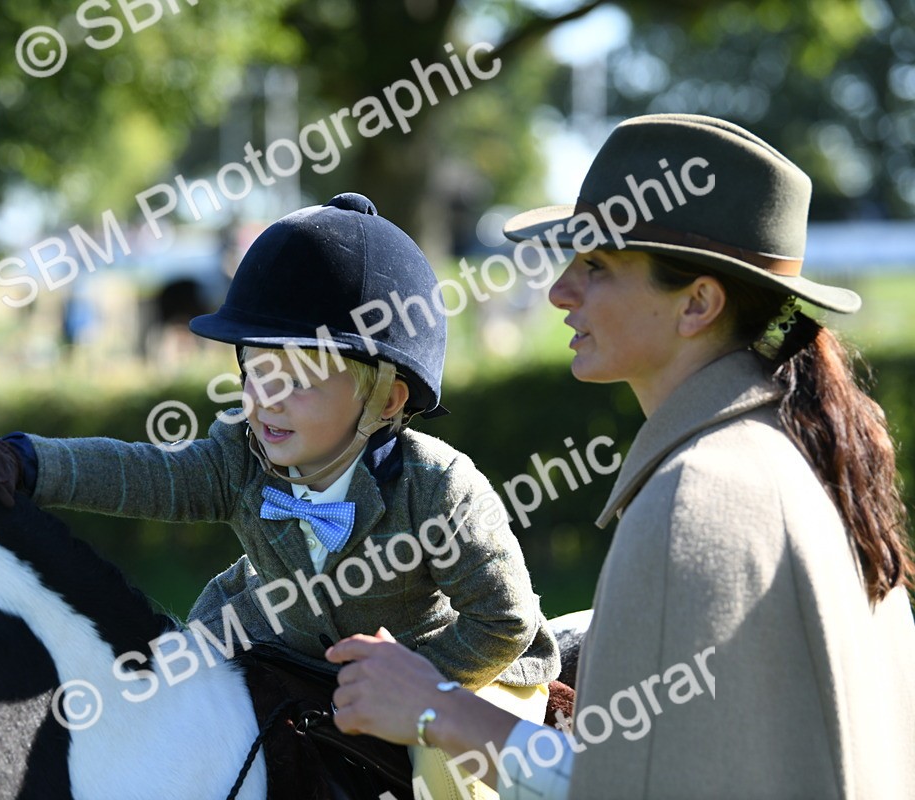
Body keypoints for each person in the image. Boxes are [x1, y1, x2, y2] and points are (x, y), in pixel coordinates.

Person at [326, 115, 915, 799]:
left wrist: (435, 708)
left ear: (698, 302)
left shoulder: (698, 495)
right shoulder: (799, 459)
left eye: (597, 266)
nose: (559, 291)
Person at [0, 192, 559, 798]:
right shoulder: (240, 453)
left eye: (299, 379)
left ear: (386, 400)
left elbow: (503, 623)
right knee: (165, 714)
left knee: (444, 768)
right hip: (275, 636)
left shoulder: (442, 489)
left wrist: (412, 685)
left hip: (462, 671)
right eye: (256, 371)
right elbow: (152, 474)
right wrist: (26, 460)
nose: (266, 400)